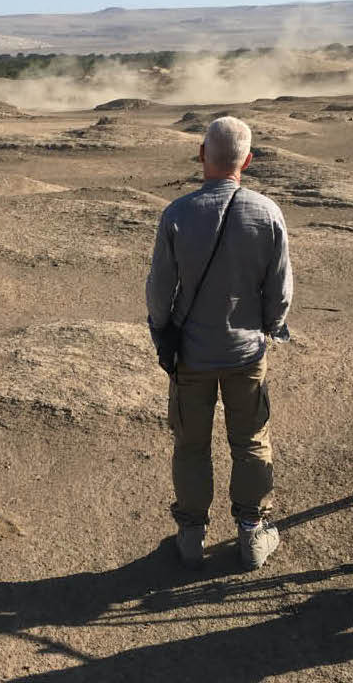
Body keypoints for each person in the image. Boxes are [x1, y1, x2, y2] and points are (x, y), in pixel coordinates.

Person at [145, 116, 293, 570]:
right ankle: (251, 534)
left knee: (191, 444)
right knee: (250, 440)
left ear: (201, 155)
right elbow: (280, 290)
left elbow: (158, 291)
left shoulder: (177, 214)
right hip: (246, 354)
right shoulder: (267, 212)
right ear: (247, 161)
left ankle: (191, 537)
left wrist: (162, 333)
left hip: (191, 354)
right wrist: (267, 327)